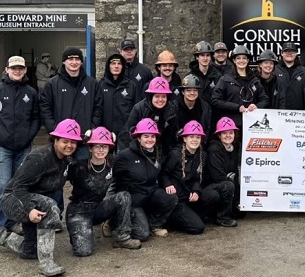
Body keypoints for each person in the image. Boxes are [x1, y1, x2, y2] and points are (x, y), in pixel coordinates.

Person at [0, 119, 81, 276]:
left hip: (36, 201)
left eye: (73, 142)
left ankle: (2, 236)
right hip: (14, 200)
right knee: (51, 207)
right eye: (65, 141)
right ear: (55, 139)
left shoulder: (66, 161)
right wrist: (29, 210)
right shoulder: (39, 158)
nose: (69, 145)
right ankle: (46, 263)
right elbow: (18, 188)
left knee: (29, 251)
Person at [66, 127, 141, 256]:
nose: (101, 150)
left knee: (124, 196)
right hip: (79, 212)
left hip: (98, 208)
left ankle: (122, 237)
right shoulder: (78, 166)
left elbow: (131, 155)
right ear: (90, 148)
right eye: (97, 146)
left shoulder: (112, 162)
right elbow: (64, 157)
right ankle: (79, 232)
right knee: (84, 251)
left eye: (105, 147)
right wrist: (83, 140)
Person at [113, 118, 178, 239]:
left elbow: (162, 174)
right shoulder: (125, 156)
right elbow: (114, 181)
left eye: (152, 136)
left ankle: (154, 224)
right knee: (142, 234)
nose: (150, 139)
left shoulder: (158, 153)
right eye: (146, 136)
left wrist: (168, 184)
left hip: (151, 195)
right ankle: (115, 220)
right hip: (134, 201)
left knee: (171, 197)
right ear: (138, 138)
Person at [0, 56, 41, 235]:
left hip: (24, 147)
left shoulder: (31, 92)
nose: (17, 71)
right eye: (14, 68)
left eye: (20, 68)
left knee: (19, 185)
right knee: (3, 185)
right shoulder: (1, 90)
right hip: (3, 147)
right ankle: (3, 223)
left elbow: (36, 118)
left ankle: (13, 221)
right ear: (7, 70)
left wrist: (28, 136)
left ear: (25, 70)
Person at [39, 48, 103, 161]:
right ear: (64, 61)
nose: (74, 62)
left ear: (81, 61)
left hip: (83, 139)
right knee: (58, 175)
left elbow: (98, 107)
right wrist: (53, 129)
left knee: (81, 175)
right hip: (61, 141)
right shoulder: (52, 84)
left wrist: (91, 128)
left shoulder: (92, 83)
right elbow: (45, 109)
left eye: (77, 59)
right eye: (70, 59)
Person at [160, 121, 219, 234]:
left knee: (213, 195)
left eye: (198, 137)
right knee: (198, 228)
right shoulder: (175, 154)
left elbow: (199, 178)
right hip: (178, 198)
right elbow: (164, 173)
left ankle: (192, 215)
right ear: (184, 139)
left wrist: (196, 191)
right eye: (191, 136)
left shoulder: (202, 155)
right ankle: (175, 220)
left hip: (190, 194)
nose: (195, 140)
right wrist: (168, 184)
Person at [212, 45, 269, 128]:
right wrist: (236, 107)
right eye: (238, 58)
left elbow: (265, 99)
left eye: (244, 58)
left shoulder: (255, 80)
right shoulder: (225, 80)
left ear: (248, 60)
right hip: (230, 126)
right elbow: (215, 100)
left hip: (251, 125)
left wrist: (257, 106)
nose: (241, 61)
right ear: (234, 60)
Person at [121, 77, 179, 155]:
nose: (160, 100)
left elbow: (172, 136)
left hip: (163, 151)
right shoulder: (139, 109)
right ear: (151, 96)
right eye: (157, 96)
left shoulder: (172, 110)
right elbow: (129, 133)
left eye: (163, 96)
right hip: (140, 151)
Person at [203, 117, 240, 227]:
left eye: (231, 132)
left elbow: (235, 173)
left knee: (240, 214)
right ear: (219, 135)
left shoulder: (234, 148)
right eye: (224, 133)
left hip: (225, 183)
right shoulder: (214, 149)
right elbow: (217, 176)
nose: (228, 135)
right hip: (210, 186)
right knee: (228, 185)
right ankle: (222, 218)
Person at [98, 53, 138, 145]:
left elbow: (136, 111)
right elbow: (98, 109)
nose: (116, 66)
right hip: (104, 134)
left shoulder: (131, 86)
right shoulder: (101, 85)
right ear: (108, 66)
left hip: (125, 135)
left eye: (119, 63)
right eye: (113, 63)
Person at [274, 42, 305, 110]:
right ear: (282, 53)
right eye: (286, 51)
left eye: (292, 51)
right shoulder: (274, 71)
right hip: (279, 113)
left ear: (296, 54)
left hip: (299, 113)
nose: (289, 53)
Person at [175, 74, 213, 140]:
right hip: (178, 144)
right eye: (188, 90)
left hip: (199, 142)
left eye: (195, 90)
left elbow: (207, 129)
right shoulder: (174, 107)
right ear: (183, 92)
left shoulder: (205, 108)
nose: (192, 93)